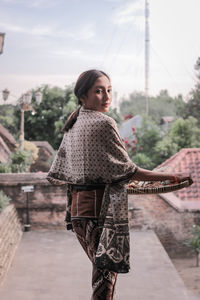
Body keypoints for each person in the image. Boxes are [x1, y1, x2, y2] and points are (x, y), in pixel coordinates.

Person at [47, 69, 192, 300]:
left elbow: (72, 173)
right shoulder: (104, 123)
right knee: (105, 282)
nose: (106, 96)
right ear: (83, 96)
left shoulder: (73, 123)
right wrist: (171, 177)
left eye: (109, 90)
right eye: (98, 91)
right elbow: (128, 170)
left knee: (101, 279)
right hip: (99, 213)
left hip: (78, 214)